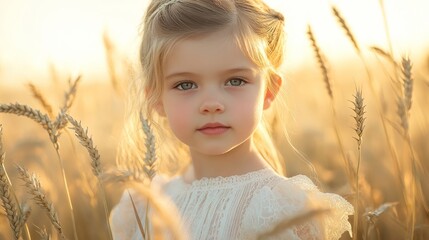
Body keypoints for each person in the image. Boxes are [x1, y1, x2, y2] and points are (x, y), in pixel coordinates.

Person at [110, 0, 354, 239]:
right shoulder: (148, 205)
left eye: (235, 81)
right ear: (156, 99)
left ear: (269, 90)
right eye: (185, 84)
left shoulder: (278, 208)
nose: (211, 104)